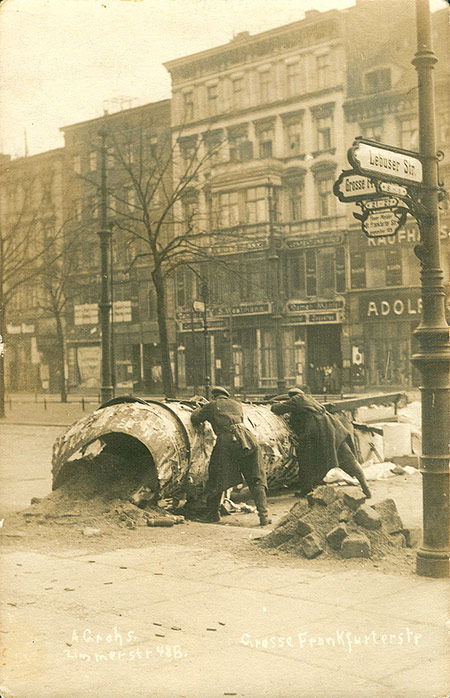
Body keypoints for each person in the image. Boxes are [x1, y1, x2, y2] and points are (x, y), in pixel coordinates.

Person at [190, 386, 271, 525]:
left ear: (214, 396)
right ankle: (264, 516)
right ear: (226, 396)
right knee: (256, 477)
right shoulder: (237, 404)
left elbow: (195, 418)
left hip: (227, 441)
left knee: (216, 476)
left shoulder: (212, 405)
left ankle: (212, 514)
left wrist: (201, 407)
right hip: (248, 439)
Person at [271, 387, 371, 498]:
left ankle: (306, 490)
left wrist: (278, 404)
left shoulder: (297, 399)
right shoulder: (311, 400)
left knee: (306, 459)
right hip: (334, 429)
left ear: (292, 396)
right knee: (349, 459)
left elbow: (276, 409)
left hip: (319, 431)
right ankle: (365, 486)